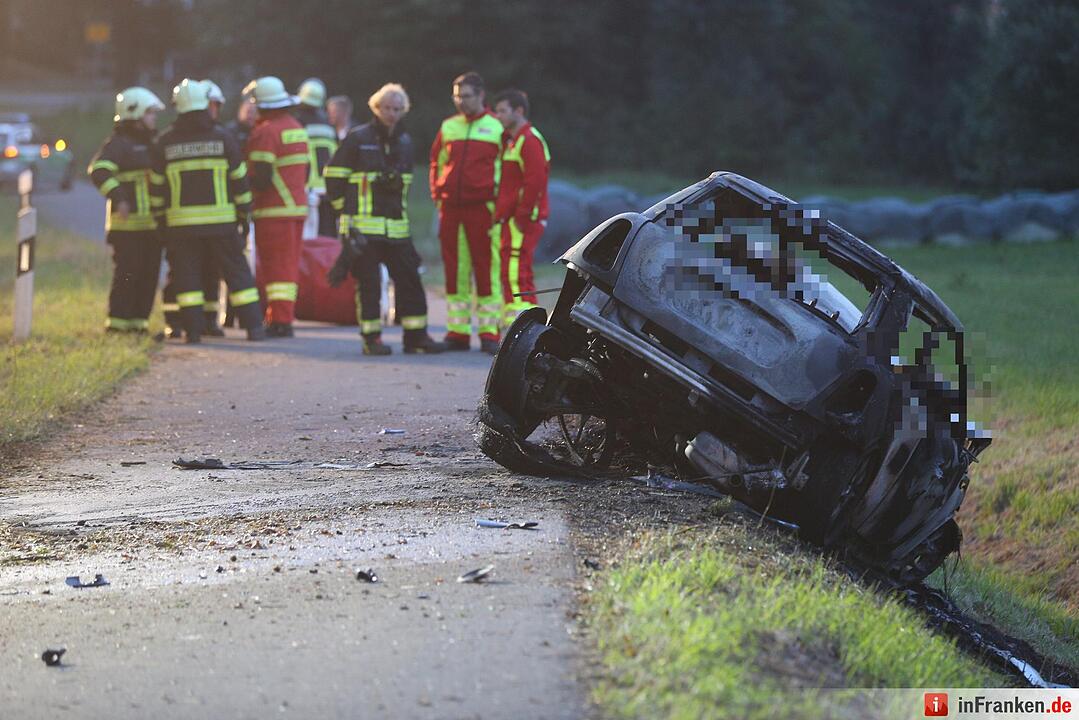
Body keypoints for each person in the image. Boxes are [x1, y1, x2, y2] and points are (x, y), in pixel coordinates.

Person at [325, 84, 447, 356]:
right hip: (363, 228)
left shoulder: (405, 142)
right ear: (376, 108)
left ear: (404, 111)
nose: (391, 113)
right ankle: (372, 339)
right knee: (369, 285)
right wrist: (344, 211)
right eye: (387, 108)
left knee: (410, 279)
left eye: (397, 109)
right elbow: (333, 177)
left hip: (396, 229)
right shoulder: (358, 139)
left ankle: (416, 337)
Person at [149, 79, 264, 343]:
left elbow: (156, 188)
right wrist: (244, 215)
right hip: (222, 224)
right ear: (204, 104)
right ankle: (254, 328)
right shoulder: (223, 138)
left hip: (181, 226)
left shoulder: (165, 142)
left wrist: (160, 220)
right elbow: (240, 181)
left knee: (187, 277)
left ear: (177, 106)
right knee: (237, 274)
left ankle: (193, 332)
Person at [429, 71, 504, 354]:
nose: (461, 101)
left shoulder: (496, 127)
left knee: (486, 268)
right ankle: (457, 332)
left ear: (481, 95)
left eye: (466, 96)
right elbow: (436, 163)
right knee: (455, 271)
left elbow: (506, 168)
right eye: (457, 96)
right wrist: (438, 195)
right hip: (451, 208)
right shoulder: (449, 126)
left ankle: (489, 332)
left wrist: (498, 203)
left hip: (483, 208)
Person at [88, 86, 164, 334]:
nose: (154, 118)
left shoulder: (154, 144)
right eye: (150, 113)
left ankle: (139, 325)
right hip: (126, 228)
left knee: (148, 277)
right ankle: (118, 326)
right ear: (135, 114)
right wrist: (119, 198)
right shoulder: (118, 144)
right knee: (127, 276)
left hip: (152, 226)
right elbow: (99, 171)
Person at [243, 76, 310, 337]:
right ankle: (283, 316)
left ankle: (280, 321)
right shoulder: (296, 127)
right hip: (296, 208)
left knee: (275, 267)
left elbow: (260, 177)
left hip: (273, 210)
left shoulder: (266, 132)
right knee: (288, 265)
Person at [493, 88, 550, 328]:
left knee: (517, 271)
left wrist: (522, 215)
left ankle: (522, 326)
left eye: (502, 111)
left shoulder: (529, 141)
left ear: (518, 111)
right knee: (513, 270)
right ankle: (517, 323)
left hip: (523, 219)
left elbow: (534, 182)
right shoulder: (512, 141)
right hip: (513, 218)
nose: (498, 116)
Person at [294, 78, 339, 237]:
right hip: (328, 188)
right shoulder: (329, 125)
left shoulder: (297, 123)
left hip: (306, 188)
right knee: (327, 237)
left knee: (308, 238)